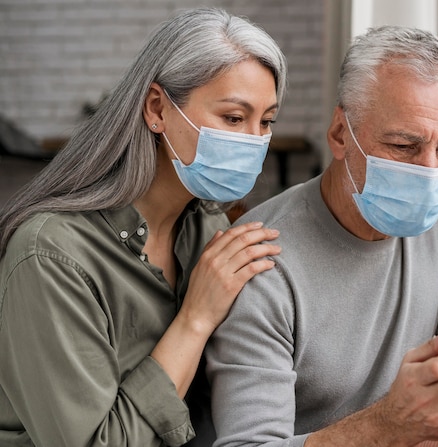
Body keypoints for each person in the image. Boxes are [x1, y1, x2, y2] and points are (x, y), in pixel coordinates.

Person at [205, 26, 438, 446]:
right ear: (341, 134)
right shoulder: (259, 261)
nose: (430, 172)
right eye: (404, 145)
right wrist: (387, 426)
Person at [0, 8, 287, 447]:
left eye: (265, 121)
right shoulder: (51, 255)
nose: (253, 140)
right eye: (233, 118)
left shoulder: (207, 230)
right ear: (157, 109)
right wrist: (195, 318)